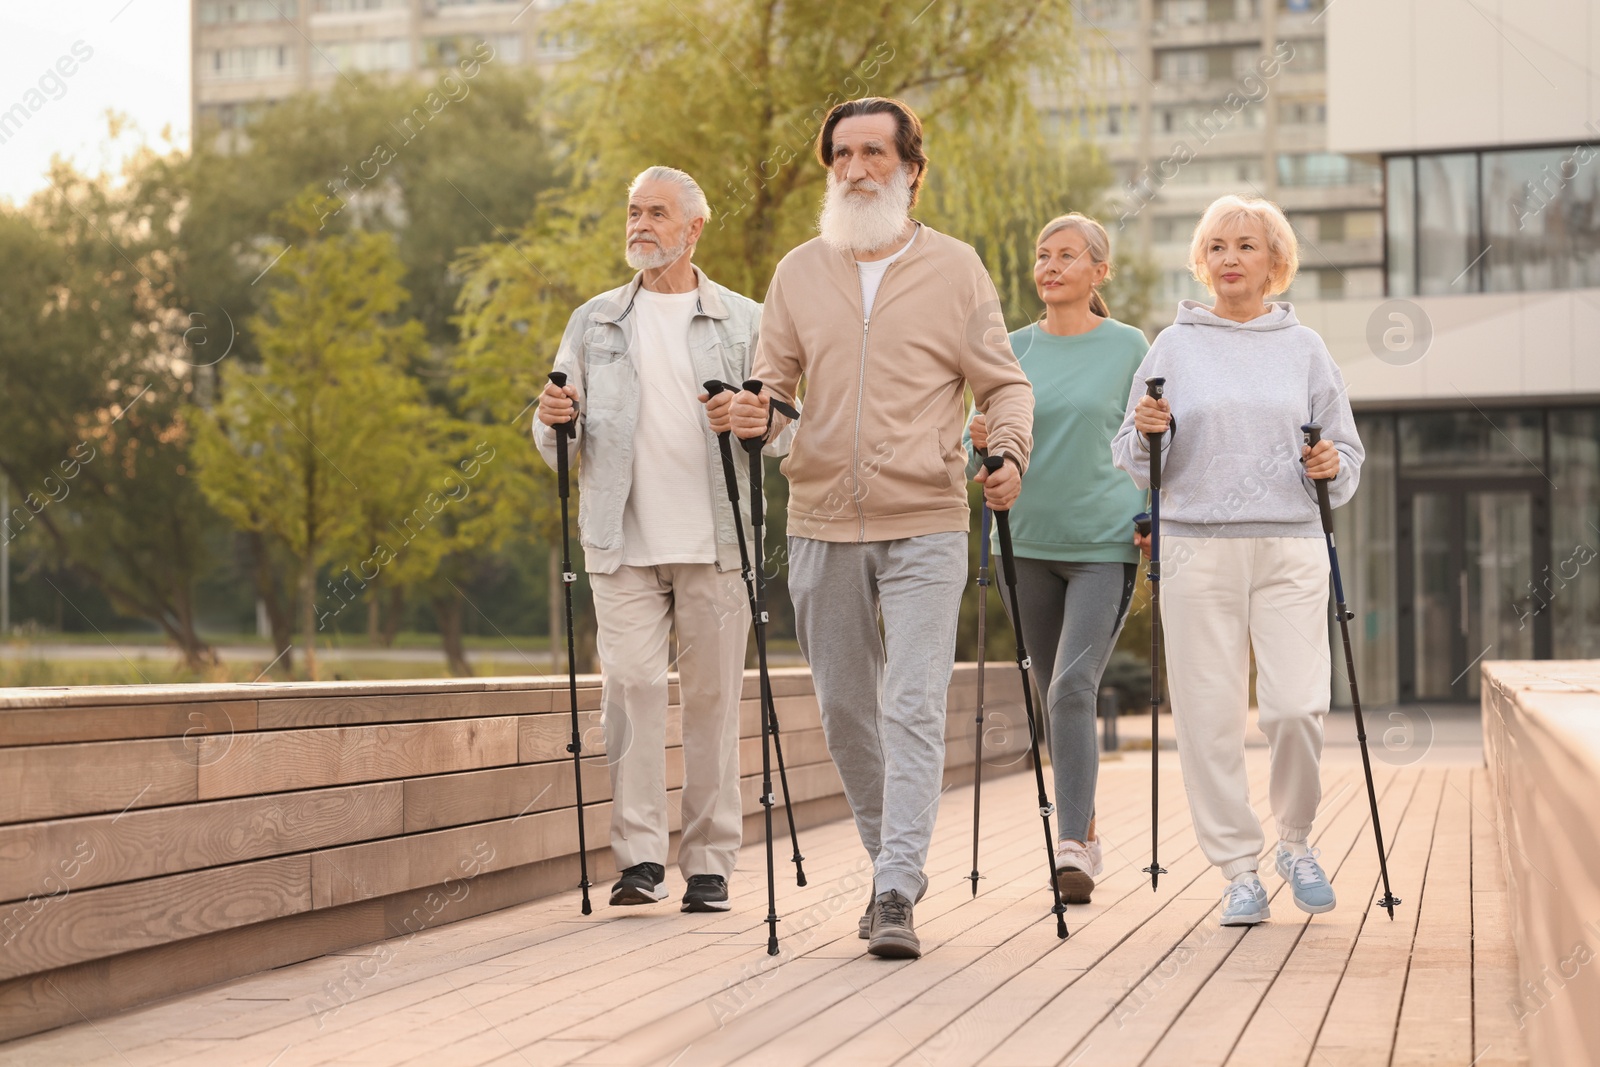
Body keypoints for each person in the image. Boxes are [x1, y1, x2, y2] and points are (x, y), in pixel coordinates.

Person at [730, 96, 1033, 960]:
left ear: (910, 167)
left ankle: (897, 886)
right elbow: (774, 391)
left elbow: (1004, 386)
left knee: (911, 705)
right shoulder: (797, 272)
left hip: (927, 519)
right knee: (844, 712)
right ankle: (886, 865)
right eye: (841, 155)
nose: (855, 169)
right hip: (821, 520)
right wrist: (760, 420)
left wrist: (1006, 451)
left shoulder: (956, 269)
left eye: (872, 152)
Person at [535, 166, 784, 915]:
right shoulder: (595, 320)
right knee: (632, 691)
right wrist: (553, 417)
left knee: (712, 701)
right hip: (621, 542)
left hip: (719, 542)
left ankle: (708, 863)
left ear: (694, 228)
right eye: (633, 211)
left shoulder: (747, 321)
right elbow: (554, 442)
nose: (640, 224)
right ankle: (639, 857)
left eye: (656, 213)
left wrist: (755, 419)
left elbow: (787, 434)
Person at [1111, 193, 1363, 927]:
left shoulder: (1305, 347)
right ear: (1203, 259)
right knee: (1209, 716)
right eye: (1216, 245)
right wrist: (1150, 429)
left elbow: (1347, 455)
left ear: (1275, 262)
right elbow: (1132, 456)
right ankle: (1237, 869)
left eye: (1246, 245)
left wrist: (1326, 463)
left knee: (1296, 707)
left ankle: (1294, 840)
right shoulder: (1173, 347)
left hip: (1290, 543)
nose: (1229, 258)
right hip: (1197, 546)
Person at [963, 212, 1147, 905]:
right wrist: (978, 440)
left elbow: (1153, 437)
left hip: (1104, 545)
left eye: (1068, 255)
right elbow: (973, 448)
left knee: (1072, 685)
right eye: (1043, 255)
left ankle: (1073, 844)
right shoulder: (1010, 350)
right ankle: (1086, 819)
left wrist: (1153, 513)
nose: (1050, 266)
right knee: (1051, 690)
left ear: (1098, 272)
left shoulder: (1130, 347)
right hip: (1024, 544)